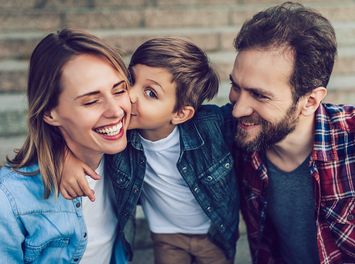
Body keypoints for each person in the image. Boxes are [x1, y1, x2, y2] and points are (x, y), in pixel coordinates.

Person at [60, 37, 240, 264]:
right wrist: (65, 156)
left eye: (151, 93)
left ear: (180, 114)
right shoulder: (117, 136)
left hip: (214, 233)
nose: (130, 96)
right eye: (131, 79)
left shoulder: (211, 125)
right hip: (166, 235)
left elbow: (250, 117)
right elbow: (73, 129)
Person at [229, 2, 355, 264]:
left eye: (259, 95)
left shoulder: (350, 140)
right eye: (235, 86)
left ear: (309, 101)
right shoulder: (237, 140)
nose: (238, 109)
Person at [0, 27, 131, 263]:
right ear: (50, 113)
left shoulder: (131, 158)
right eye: (91, 101)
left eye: (120, 90)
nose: (116, 111)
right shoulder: (10, 199)